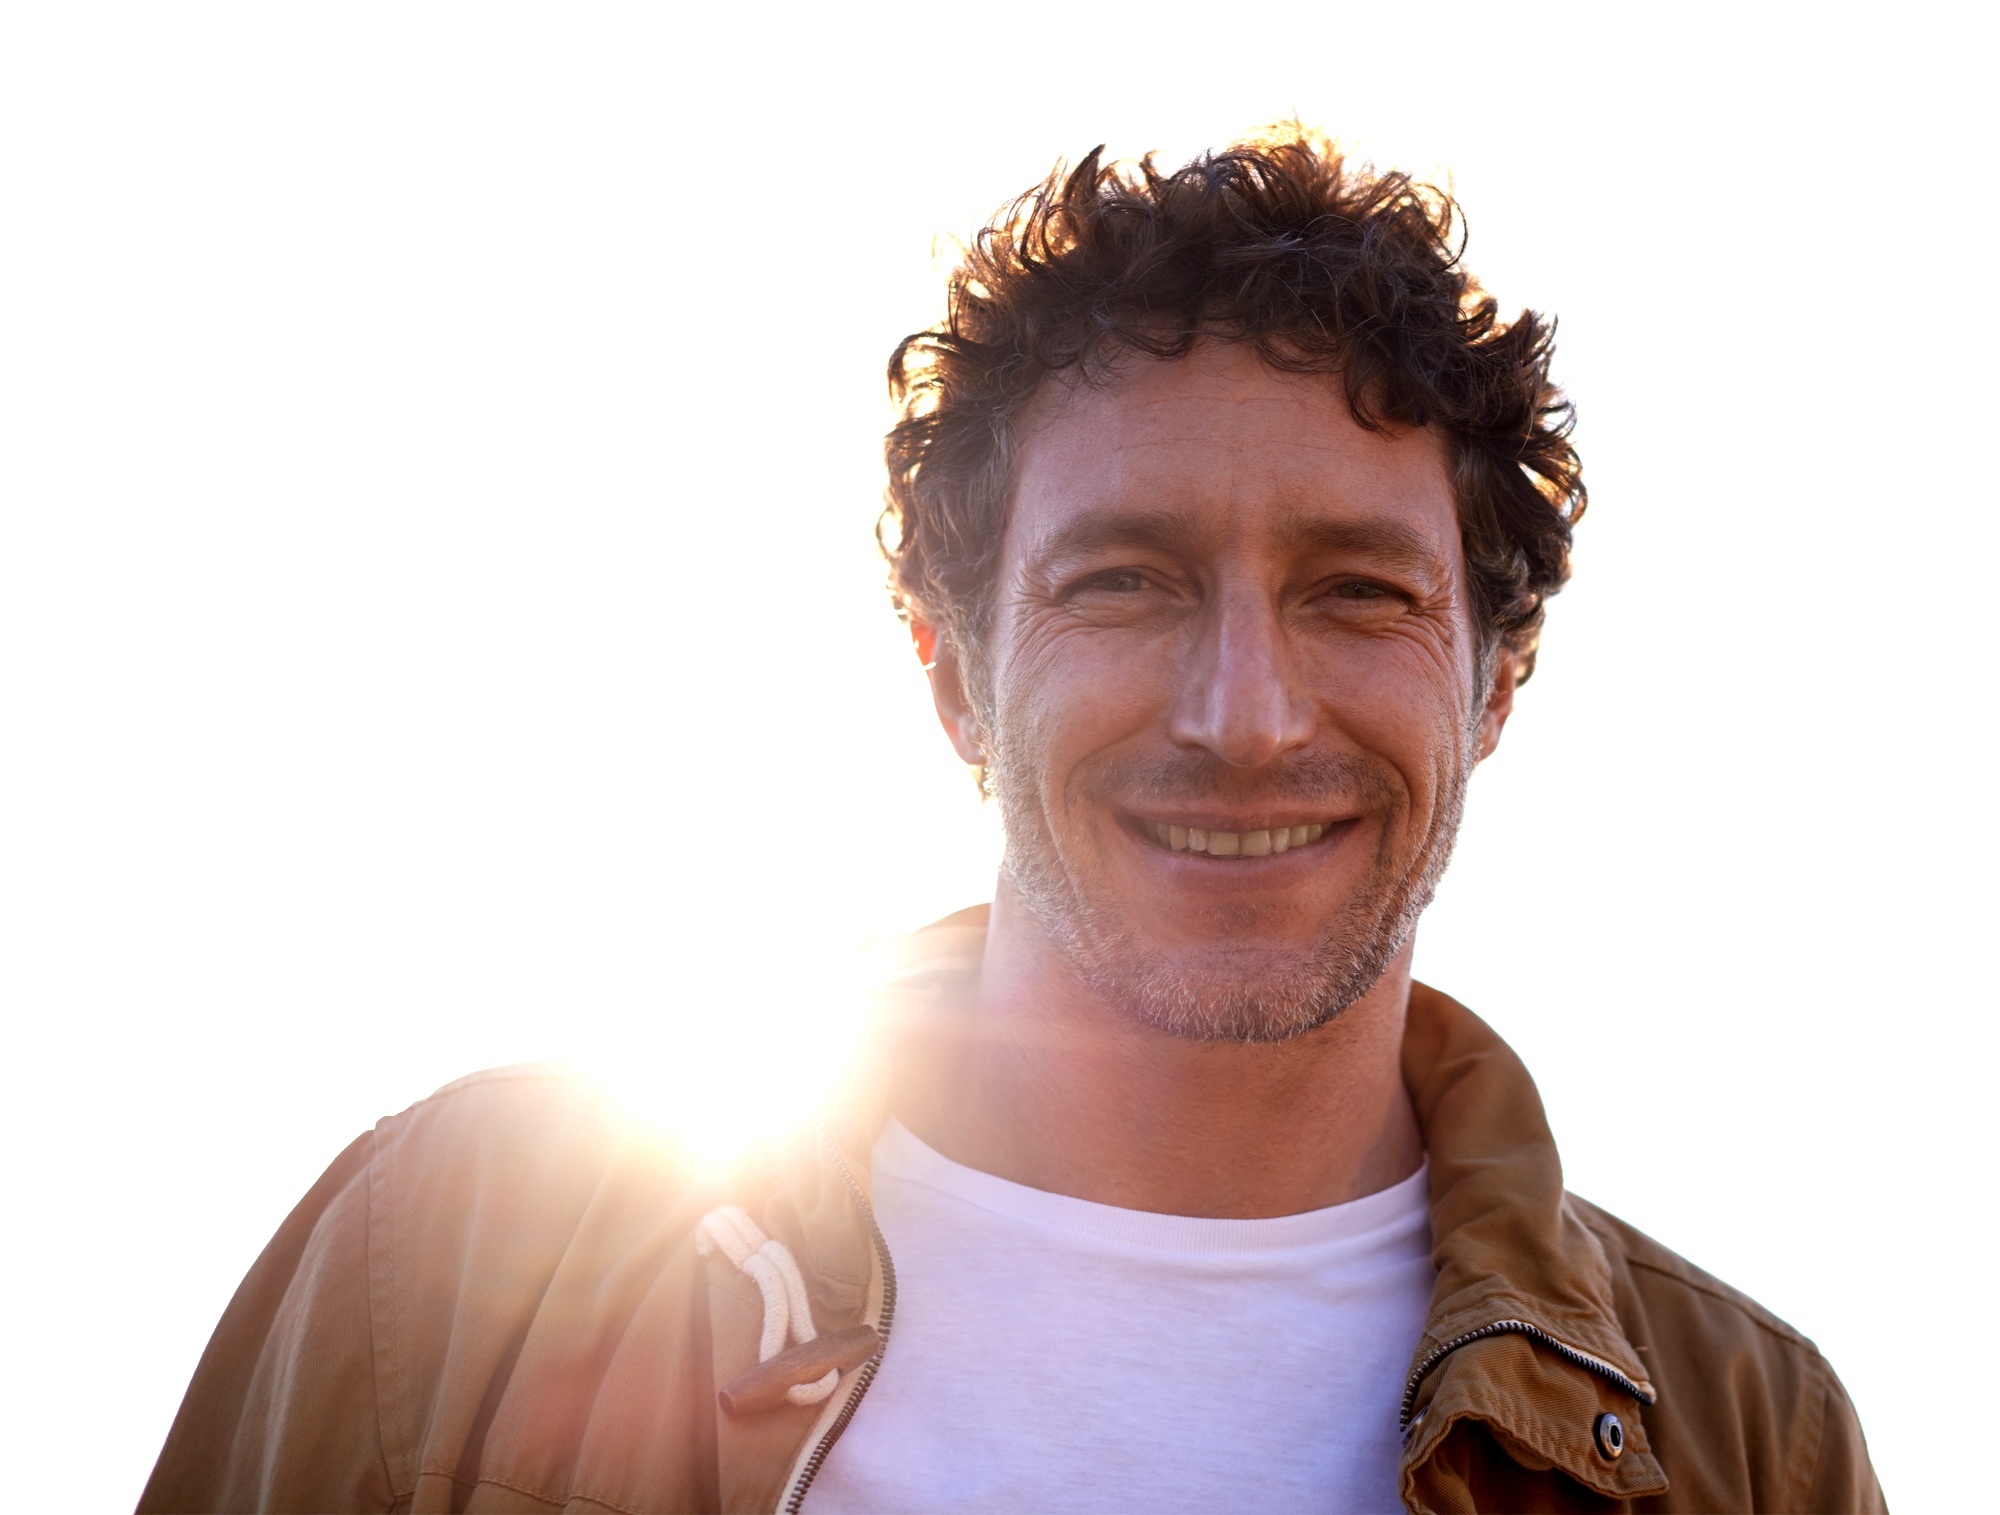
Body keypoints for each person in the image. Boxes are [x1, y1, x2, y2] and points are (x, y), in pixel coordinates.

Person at [139, 129, 1884, 1515]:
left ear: (1494, 687)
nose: (1245, 715)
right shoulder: (454, 1256)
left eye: (1359, 593)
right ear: (957, 678)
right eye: (1124, 582)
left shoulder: (1748, 1445)